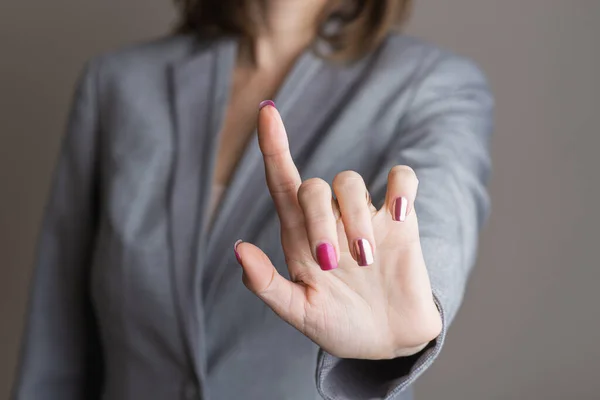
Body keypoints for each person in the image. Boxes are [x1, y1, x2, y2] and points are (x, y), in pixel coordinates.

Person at [12, 0, 493, 399]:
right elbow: (57, 340)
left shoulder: (433, 85)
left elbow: (441, 206)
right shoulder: (116, 84)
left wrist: (419, 307)